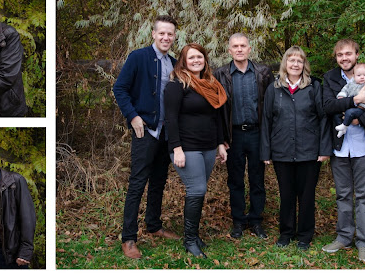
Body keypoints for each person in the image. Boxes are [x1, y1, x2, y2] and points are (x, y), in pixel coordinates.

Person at [112, 15, 181, 259]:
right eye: (162, 33)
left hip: (166, 133)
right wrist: (133, 116)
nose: (166, 37)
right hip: (145, 131)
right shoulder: (138, 57)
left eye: (170, 34)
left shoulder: (174, 63)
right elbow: (119, 88)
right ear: (153, 34)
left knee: (159, 181)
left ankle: (154, 225)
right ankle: (129, 238)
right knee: (137, 183)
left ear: (174, 37)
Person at [321, 39, 365, 263]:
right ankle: (343, 237)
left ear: (357, 55)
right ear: (336, 57)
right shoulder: (330, 78)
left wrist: (361, 121)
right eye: (340, 54)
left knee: (363, 195)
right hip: (340, 147)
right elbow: (328, 106)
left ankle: (363, 242)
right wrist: (356, 100)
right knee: (342, 194)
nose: (344, 58)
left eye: (348, 54)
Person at [260, 46, 331, 251]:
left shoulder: (314, 86)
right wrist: (266, 152)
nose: (295, 64)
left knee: (307, 195)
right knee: (286, 195)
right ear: (285, 63)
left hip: (309, 152)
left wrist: (324, 149)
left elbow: (323, 118)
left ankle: (305, 235)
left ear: (304, 64)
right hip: (281, 151)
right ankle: (286, 233)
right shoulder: (274, 88)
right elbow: (266, 120)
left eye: (299, 60)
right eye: (291, 60)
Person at [164, 43, 228, 258]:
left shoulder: (210, 83)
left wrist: (220, 144)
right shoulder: (177, 84)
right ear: (184, 60)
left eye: (199, 57)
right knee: (197, 190)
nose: (195, 61)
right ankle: (189, 239)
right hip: (187, 147)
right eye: (191, 58)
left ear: (205, 59)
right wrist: (176, 148)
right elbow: (170, 118)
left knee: (199, 192)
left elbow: (216, 115)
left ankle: (194, 235)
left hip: (208, 147)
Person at [213, 33, 273, 239]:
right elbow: (216, 110)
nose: (239, 49)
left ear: (249, 49)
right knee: (235, 180)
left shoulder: (263, 73)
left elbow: (270, 106)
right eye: (235, 46)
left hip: (257, 133)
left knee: (257, 179)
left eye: (243, 46)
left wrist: (269, 137)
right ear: (229, 50)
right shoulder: (220, 74)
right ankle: (238, 220)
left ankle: (256, 220)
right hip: (234, 136)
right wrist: (221, 139)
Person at [333, 63, 365, 137]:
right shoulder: (350, 85)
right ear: (354, 76)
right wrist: (342, 96)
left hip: (362, 109)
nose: (362, 77)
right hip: (351, 106)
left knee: (350, 112)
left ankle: (344, 126)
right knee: (337, 115)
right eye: (359, 75)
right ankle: (341, 128)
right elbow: (344, 90)